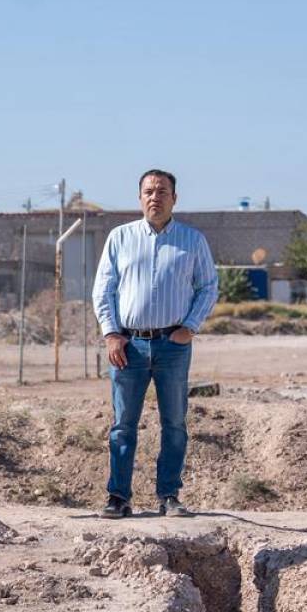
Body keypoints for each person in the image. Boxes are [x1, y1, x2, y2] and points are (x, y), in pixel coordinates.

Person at [92, 168, 218, 519]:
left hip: (172, 345)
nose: (155, 197)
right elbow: (103, 290)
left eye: (162, 191)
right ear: (139, 197)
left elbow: (208, 286)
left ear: (174, 198)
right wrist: (111, 334)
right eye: (148, 191)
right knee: (123, 425)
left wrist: (190, 327)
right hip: (128, 347)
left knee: (174, 422)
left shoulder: (193, 240)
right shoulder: (120, 238)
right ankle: (118, 496)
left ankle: (168, 496)